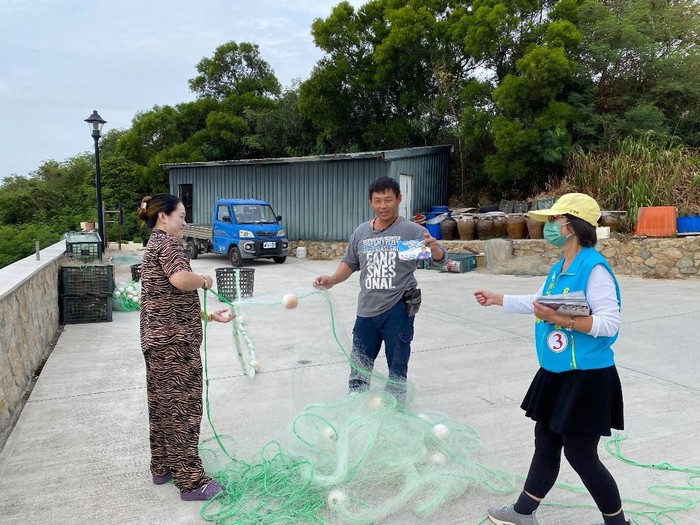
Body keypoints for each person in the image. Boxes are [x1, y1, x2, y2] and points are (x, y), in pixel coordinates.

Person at [473, 193, 629, 525]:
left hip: (587, 376)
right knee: (545, 443)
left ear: (571, 225)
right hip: (557, 372)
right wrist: (498, 299)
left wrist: (565, 321)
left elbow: (609, 323)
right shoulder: (561, 267)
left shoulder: (594, 268)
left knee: (580, 454)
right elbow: (541, 301)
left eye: (554, 221)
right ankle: (523, 512)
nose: (548, 227)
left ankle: (617, 522)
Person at [313, 176, 448, 404]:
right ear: (370, 202)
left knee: (397, 369)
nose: (383, 206)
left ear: (399, 199)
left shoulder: (410, 231)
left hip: (398, 309)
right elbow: (350, 264)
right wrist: (332, 279)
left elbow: (439, 260)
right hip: (366, 310)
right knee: (359, 367)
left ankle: (395, 413)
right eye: (377, 201)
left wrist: (435, 250)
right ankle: (355, 406)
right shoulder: (362, 233)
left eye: (388, 200)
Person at [137, 193, 232, 502]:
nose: (185, 222)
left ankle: (162, 466)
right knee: (183, 411)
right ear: (163, 217)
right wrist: (204, 279)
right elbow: (180, 280)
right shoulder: (169, 243)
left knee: (162, 407)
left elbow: (165, 296)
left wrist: (206, 315)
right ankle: (191, 482)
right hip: (175, 346)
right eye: (181, 216)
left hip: (157, 341)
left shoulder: (154, 244)